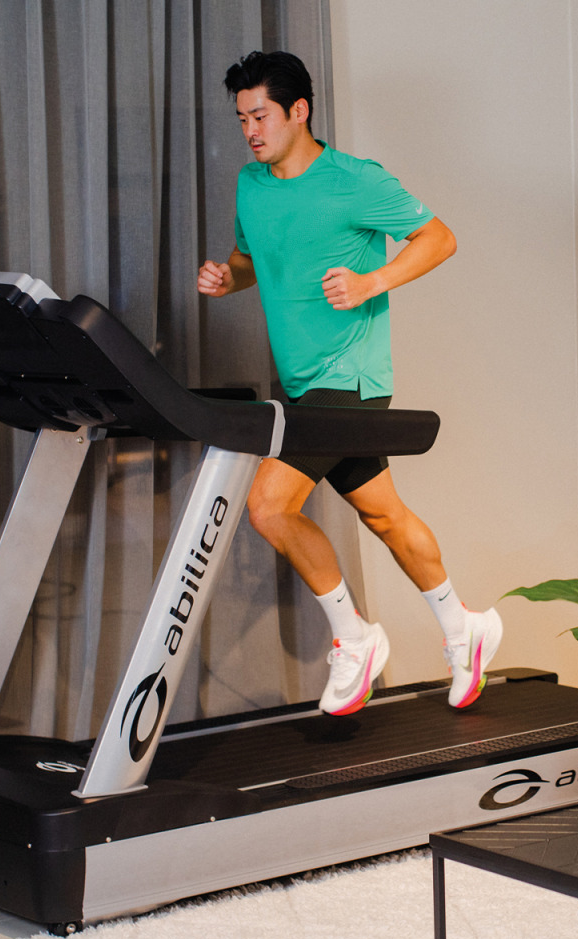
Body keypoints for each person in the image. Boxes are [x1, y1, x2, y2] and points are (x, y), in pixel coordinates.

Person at [197, 50, 501, 716]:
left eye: (261, 116)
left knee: (269, 508)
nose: (250, 131)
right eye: (242, 119)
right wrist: (227, 278)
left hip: (351, 376)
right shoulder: (252, 184)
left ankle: (354, 636)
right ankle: (465, 627)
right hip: (301, 381)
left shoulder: (354, 180)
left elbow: (439, 238)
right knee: (383, 513)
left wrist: (372, 282)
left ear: (298, 111)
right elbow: (252, 260)